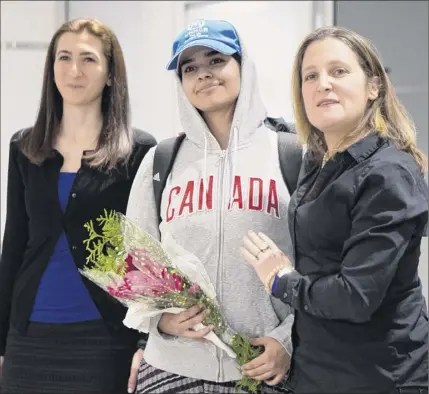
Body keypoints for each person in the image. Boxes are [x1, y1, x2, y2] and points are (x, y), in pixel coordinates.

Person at [240, 26, 428, 394]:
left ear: (373, 86)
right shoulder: (320, 161)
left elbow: (355, 297)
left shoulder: (388, 174)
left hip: (378, 376)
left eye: (338, 71)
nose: (323, 84)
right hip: (317, 370)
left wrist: (280, 280)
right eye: (310, 76)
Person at [126, 19, 296, 394]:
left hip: (262, 370)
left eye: (216, 60)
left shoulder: (290, 153)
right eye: (190, 68)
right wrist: (161, 322)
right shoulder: (161, 161)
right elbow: (134, 264)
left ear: (241, 66)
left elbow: (320, 263)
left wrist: (287, 338)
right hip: (170, 369)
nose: (204, 74)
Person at [0, 18, 156, 394]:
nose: (73, 70)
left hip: (103, 336)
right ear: (51, 68)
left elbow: (147, 254)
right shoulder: (25, 148)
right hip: (28, 336)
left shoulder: (138, 151)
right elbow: (14, 246)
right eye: (63, 57)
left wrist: (144, 343)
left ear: (109, 74)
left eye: (88, 59)